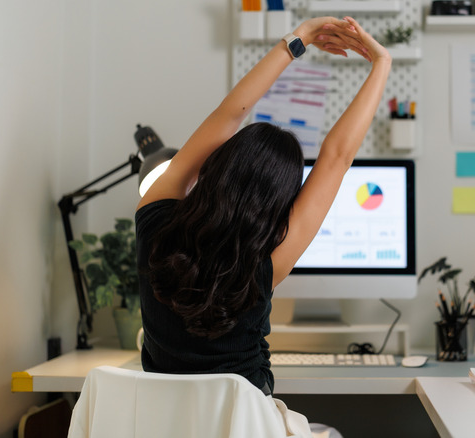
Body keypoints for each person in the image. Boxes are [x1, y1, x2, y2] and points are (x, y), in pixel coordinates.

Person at [135, 16, 390, 436]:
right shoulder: (266, 264)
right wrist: (381, 63)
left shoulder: (154, 218)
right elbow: (337, 157)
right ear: (279, 205)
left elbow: (227, 114)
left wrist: (298, 39)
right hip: (250, 428)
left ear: (215, 166)